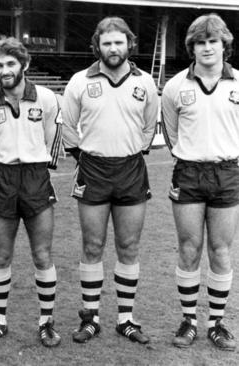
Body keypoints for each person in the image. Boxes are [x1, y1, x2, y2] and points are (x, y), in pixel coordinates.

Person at [61, 17, 158, 344]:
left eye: (119, 42)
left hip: (131, 170)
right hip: (93, 170)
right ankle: (90, 318)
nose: (113, 49)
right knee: (92, 245)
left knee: (128, 246)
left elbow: (149, 128)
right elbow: (69, 130)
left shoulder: (145, 82)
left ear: (129, 44)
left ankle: (126, 319)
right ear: (97, 46)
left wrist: (130, 151)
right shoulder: (78, 81)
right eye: (106, 43)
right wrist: (89, 157)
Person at [0, 37, 63, 347]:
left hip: (36, 179)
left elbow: (53, 137)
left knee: (42, 254)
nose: (4, 70)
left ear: (24, 65)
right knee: (1, 255)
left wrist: (40, 166)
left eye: (10, 63)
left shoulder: (47, 98)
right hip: (1, 179)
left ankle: (46, 322)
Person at [161, 13, 239, 351]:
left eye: (213, 41)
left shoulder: (238, 83)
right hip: (189, 172)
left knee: (221, 250)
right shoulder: (176, 86)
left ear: (225, 45)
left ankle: (216, 323)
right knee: (189, 249)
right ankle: (189, 320)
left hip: (228, 173)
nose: (207, 47)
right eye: (200, 42)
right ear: (192, 47)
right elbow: (171, 132)